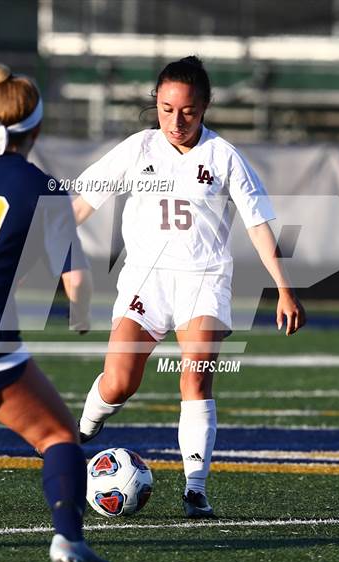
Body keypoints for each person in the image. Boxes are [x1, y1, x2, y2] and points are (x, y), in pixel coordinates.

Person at [73, 56, 306, 518]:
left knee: (195, 379)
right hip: (144, 279)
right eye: (165, 109)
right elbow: (80, 203)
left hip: (204, 281)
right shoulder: (139, 149)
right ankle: (84, 426)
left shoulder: (224, 157)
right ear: (155, 104)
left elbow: (259, 225)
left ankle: (195, 489)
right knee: (119, 383)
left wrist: (284, 286)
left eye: (188, 111)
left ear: (205, 108)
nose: (175, 121)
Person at [0, 63, 117, 562]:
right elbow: (76, 283)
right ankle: (69, 543)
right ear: (37, 129)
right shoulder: (44, 190)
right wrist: (80, 316)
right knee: (57, 437)